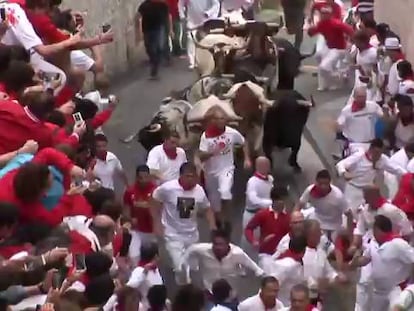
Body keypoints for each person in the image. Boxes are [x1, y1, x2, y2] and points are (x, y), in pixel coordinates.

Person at [150, 162, 216, 284]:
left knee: (192, 267)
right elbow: (154, 200)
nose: (191, 179)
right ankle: (184, 288)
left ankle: (184, 280)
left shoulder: (199, 190)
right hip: (173, 234)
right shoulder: (168, 188)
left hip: (192, 235)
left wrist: (212, 225)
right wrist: (157, 222)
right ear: (181, 176)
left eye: (193, 176)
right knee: (181, 267)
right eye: (188, 176)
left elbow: (207, 208)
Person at [179, 226, 263, 303]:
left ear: (227, 243)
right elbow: (190, 251)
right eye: (215, 244)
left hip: (231, 295)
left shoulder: (238, 253)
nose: (218, 247)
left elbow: (256, 269)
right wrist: (187, 266)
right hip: (210, 293)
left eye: (221, 244)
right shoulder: (202, 250)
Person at [351, 215, 414, 311]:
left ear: (378, 230)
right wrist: (356, 261)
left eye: (374, 229)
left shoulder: (398, 244)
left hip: (395, 290)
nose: (373, 232)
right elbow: (366, 259)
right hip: (378, 290)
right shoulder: (373, 243)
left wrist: (411, 281)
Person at [199, 107, 251, 220]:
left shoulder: (231, 132)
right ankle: (218, 219)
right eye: (218, 119)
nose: (220, 121)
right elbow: (201, 156)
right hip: (211, 172)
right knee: (215, 201)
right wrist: (212, 152)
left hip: (227, 169)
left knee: (225, 192)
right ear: (213, 120)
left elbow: (243, 142)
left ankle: (227, 218)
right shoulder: (206, 136)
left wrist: (247, 158)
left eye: (223, 118)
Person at [336, 138, 406, 217]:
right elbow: (340, 164)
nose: (378, 155)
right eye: (376, 152)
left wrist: (409, 176)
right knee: (350, 213)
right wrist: (344, 173)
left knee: (367, 214)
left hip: (368, 191)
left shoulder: (383, 160)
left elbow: (397, 169)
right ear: (371, 149)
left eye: (380, 153)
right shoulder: (359, 156)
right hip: (353, 188)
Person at [308, 5, 354, 91]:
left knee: (324, 67)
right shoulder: (321, 24)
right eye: (322, 13)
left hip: (339, 49)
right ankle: (325, 83)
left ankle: (336, 79)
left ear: (330, 15)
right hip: (329, 47)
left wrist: (351, 41)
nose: (323, 15)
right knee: (318, 56)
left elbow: (350, 30)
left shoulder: (336, 23)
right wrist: (310, 30)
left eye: (325, 14)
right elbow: (312, 32)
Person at [296, 169, 352, 241]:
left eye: (326, 184)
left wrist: (349, 233)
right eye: (320, 184)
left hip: (333, 225)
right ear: (316, 182)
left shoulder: (338, 196)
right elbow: (299, 205)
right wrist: (295, 219)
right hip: (316, 218)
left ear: (330, 183)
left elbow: (349, 214)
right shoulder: (310, 190)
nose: (323, 187)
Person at [244, 186, 290, 269]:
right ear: (273, 200)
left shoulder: (289, 216)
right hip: (266, 254)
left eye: (284, 200)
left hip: (282, 254)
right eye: (280, 200)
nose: (283, 203)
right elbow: (249, 229)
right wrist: (253, 241)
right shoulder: (263, 214)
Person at [123, 164, 157, 262]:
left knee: (150, 259)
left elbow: (159, 211)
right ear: (136, 177)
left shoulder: (156, 191)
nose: (143, 180)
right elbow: (126, 210)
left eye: (146, 177)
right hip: (136, 230)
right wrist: (129, 219)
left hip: (151, 231)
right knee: (134, 257)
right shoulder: (130, 191)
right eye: (140, 178)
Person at [265, 235, 308, 306]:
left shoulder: (297, 262)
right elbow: (270, 285)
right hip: (283, 304)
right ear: (304, 250)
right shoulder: (285, 265)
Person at [178, 0, 220, 69]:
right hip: (192, 20)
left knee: (204, 41)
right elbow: (180, 4)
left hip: (206, 21)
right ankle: (192, 62)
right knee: (191, 39)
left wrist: (209, 13)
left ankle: (203, 60)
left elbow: (216, 4)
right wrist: (182, 15)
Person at [136, 0, 172, 79]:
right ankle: (154, 61)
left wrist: (170, 29)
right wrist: (140, 31)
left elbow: (168, 17)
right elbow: (139, 18)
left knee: (159, 47)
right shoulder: (144, 5)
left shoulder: (162, 5)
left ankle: (155, 68)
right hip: (147, 30)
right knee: (149, 48)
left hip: (159, 29)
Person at [126, 242, 163, 309]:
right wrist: (144, 273)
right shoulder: (139, 270)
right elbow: (130, 287)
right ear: (156, 256)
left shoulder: (155, 268)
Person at [242, 156, 273, 230]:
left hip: (266, 213)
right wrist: (270, 203)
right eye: (265, 165)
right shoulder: (252, 182)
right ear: (257, 166)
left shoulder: (270, 179)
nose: (268, 167)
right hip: (252, 214)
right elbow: (253, 199)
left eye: (268, 165)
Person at [350, 29, 379, 102]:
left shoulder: (373, 53)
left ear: (363, 42)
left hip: (370, 86)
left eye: (357, 42)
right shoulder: (359, 50)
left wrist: (370, 77)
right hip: (359, 82)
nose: (355, 44)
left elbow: (377, 72)